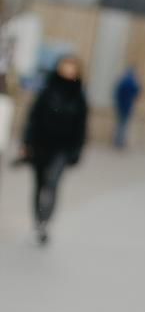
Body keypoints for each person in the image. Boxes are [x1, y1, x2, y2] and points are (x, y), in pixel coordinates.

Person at [19, 55, 89, 245]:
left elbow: (81, 126)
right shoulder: (47, 90)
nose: (68, 69)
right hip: (41, 145)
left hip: (62, 149)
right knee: (39, 184)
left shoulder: (79, 95)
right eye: (65, 65)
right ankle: (37, 220)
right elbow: (33, 118)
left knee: (52, 183)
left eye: (72, 66)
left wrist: (77, 151)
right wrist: (26, 142)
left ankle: (45, 222)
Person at [112, 64, 141, 149]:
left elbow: (117, 92)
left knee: (120, 124)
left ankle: (118, 141)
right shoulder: (132, 82)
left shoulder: (123, 81)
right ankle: (120, 142)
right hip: (127, 106)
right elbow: (138, 91)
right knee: (123, 125)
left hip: (120, 106)